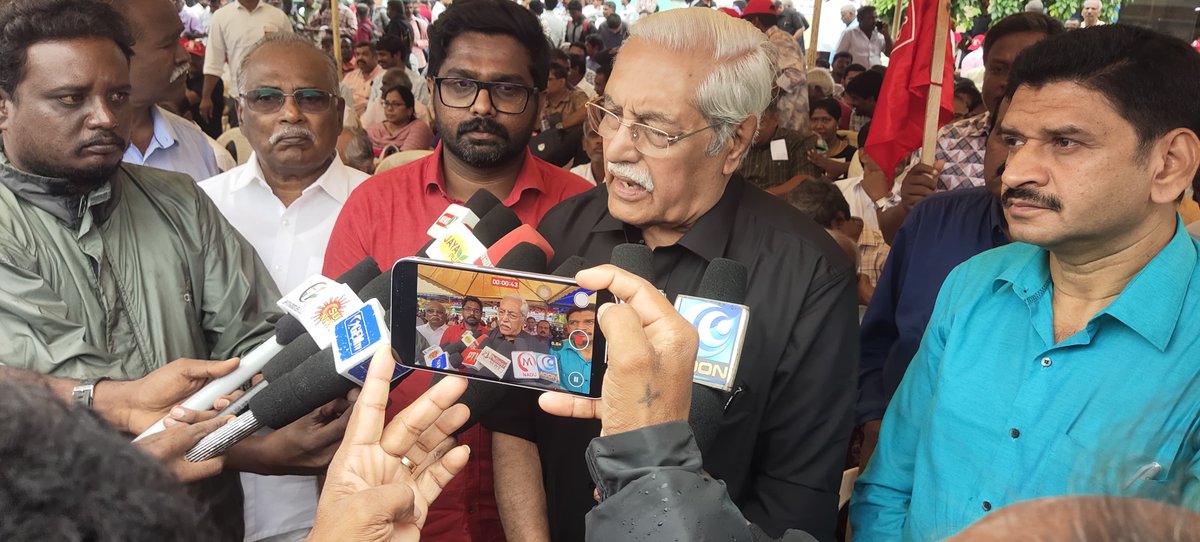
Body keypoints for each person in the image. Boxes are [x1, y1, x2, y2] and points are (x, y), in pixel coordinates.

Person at [489, 8, 858, 541]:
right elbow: (514, 423)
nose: (615, 149)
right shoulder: (564, 229)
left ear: (734, 141)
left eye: (655, 130)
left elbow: (794, 503)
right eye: (610, 114)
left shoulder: (809, 276)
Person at [852, 25, 1200, 540]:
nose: (1016, 172)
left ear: (1168, 165)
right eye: (1014, 140)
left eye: (1065, 142)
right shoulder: (971, 284)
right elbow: (888, 486)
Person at [0, 1, 303, 538]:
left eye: (116, 96)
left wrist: (270, 416)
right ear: (4, 106)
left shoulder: (179, 200)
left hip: (199, 517)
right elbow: (48, 386)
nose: (104, 116)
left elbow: (255, 338)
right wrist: (241, 441)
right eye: (71, 98)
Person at [322, 3, 593, 540]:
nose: (483, 106)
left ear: (540, 100)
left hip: (549, 513)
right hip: (400, 508)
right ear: (432, 89)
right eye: (462, 84)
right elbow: (337, 357)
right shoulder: (373, 206)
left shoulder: (586, 211)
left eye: (508, 89)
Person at [198, 32, 371, 542]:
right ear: (239, 112)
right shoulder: (200, 208)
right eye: (268, 98)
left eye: (311, 97)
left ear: (338, 112)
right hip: (215, 485)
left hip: (340, 487)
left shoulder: (375, 207)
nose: (291, 114)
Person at [875, 12, 1064, 241]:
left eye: (1022, 69)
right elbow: (890, 234)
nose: (1007, 81)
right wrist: (908, 205)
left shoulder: (1075, 147)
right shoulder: (948, 139)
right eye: (997, 69)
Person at [114, 0, 221, 184]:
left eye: (179, 39)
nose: (183, 56)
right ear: (115, 53)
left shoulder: (195, 143)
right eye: (167, 44)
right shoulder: (74, 157)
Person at [201, 0, 292, 129]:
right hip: (239, 97)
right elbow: (213, 61)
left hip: (274, 96)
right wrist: (206, 97)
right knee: (241, 142)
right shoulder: (221, 17)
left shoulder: (278, 16)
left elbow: (290, 57)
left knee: (274, 140)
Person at [741, 0, 809, 136]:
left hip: (788, 119)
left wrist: (768, 92)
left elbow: (795, 75)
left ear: (755, 21)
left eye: (746, 22)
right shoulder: (769, 40)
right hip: (780, 118)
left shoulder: (780, 40)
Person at [738, 95, 820, 194]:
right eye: (747, 122)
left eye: (761, 121)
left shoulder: (797, 141)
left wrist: (763, 197)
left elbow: (806, 178)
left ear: (775, 119)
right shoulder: (737, 143)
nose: (754, 129)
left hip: (782, 205)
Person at [366, 84, 434, 153]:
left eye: (396, 104)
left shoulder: (419, 129)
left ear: (409, 110)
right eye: (387, 103)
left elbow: (403, 159)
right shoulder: (374, 130)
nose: (389, 108)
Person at [182, 39, 226, 140]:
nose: (192, 60)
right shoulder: (186, 78)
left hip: (208, 138)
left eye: (196, 57)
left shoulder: (212, 81)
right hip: (188, 136)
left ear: (205, 59)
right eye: (189, 56)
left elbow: (188, 99)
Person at [808, 97, 856, 180]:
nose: (819, 126)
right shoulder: (805, 152)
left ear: (838, 122)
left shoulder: (852, 155)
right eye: (814, 120)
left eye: (826, 120)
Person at [541, 63, 589, 131]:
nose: (545, 83)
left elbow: (588, 111)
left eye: (549, 79)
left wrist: (561, 126)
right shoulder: (541, 101)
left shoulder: (576, 96)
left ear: (562, 81)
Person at [344, 41, 384, 119]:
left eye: (365, 54)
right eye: (357, 54)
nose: (360, 58)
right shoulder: (350, 76)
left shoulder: (384, 77)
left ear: (375, 57)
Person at [569, 109, 605, 185]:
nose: (600, 141)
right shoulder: (575, 175)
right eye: (593, 135)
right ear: (584, 143)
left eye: (604, 135)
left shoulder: (625, 178)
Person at [843, 67, 881, 131]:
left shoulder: (890, 121)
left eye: (855, 98)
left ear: (870, 100)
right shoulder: (855, 114)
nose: (851, 103)